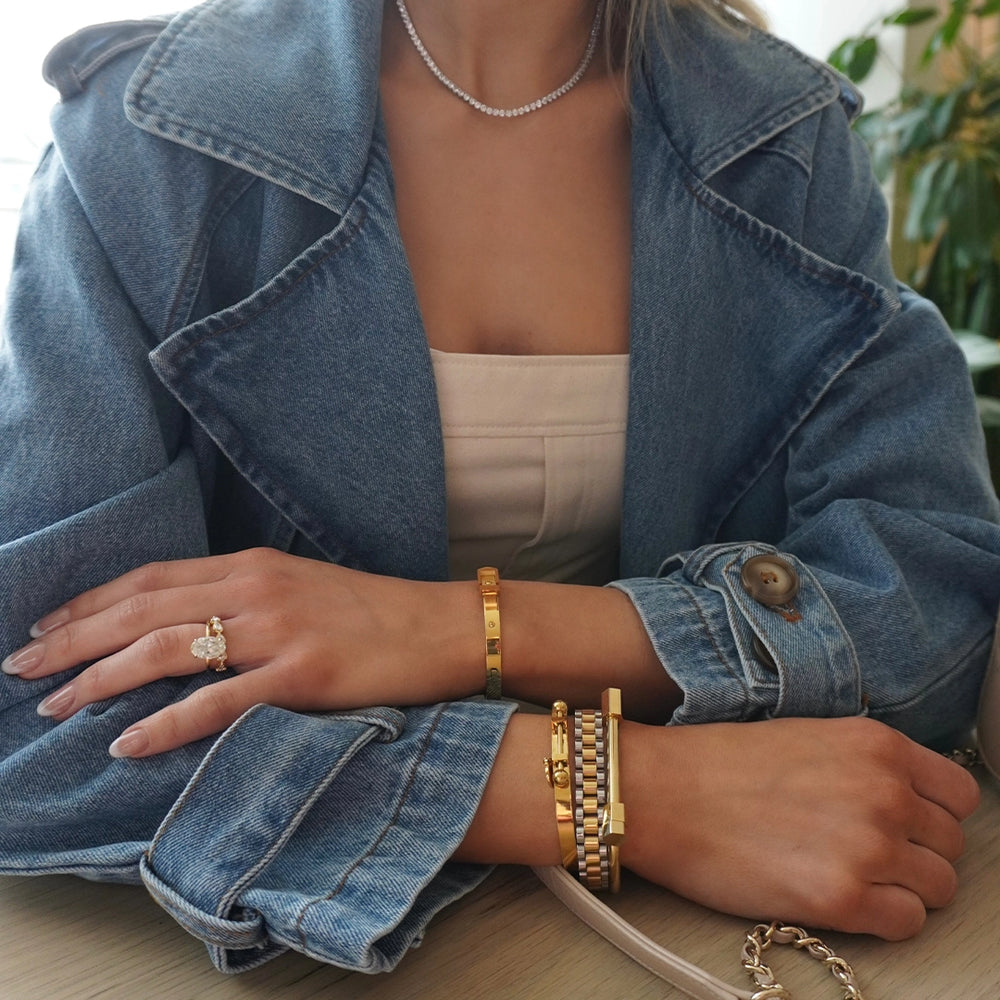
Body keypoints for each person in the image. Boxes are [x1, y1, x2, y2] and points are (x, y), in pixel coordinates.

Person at [1, 0, 998, 975]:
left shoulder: (782, 136)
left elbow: (927, 590)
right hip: (303, 935)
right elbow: (43, 710)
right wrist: (612, 789)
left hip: (690, 921)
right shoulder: (148, 136)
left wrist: (450, 629)